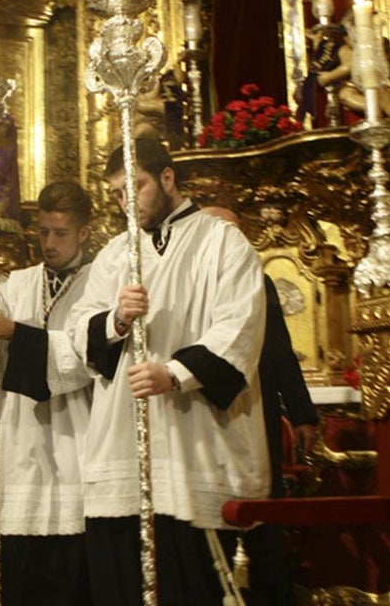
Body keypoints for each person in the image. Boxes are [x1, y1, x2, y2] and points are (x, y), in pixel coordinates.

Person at [70, 137, 269, 604]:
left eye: (135, 187)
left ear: (167, 177)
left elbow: (240, 327)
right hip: (122, 440)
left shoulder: (222, 241)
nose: (126, 202)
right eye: (117, 193)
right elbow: (80, 332)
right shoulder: (114, 255)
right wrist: (116, 320)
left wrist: (175, 374)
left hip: (196, 442)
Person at [0, 180, 95, 606]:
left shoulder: (99, 282)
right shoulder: (19, 282)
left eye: (60, 233)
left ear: (83, 232)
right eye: (42, 232)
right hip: (22, 440)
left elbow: (84, 356)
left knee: (69, 574)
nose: (49, 242)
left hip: (76, 440)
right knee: (20, 573)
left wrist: (16, 334)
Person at [201, 205, 318, 605]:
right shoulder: (190, 285)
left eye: (237, 232)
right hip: (204, 415)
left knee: (265, 509)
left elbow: (281, 352)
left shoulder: (260, 283)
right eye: (222, 230)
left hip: (259, 409)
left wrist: (301, 413)